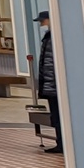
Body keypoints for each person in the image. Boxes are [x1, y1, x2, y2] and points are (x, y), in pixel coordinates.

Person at [34, 10, 62, 153]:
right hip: (52, 84)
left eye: (42, 20)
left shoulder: (54, 37)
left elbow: (51, 64)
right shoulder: (50, 36)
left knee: (59, 116)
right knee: (56, 116)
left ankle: (62, 144)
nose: (41, 23)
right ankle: (60, 142)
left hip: (54, 85)